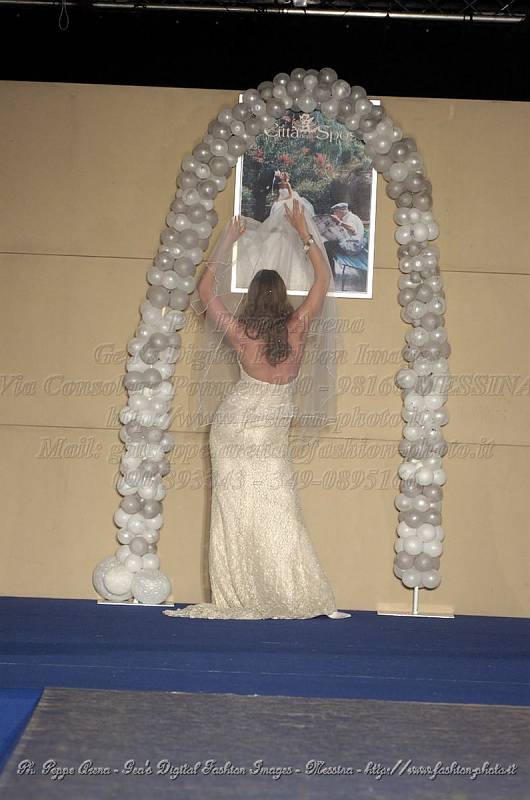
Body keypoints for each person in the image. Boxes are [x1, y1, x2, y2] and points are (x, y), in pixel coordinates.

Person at [162, 200, 350, 621]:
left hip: (232, 425)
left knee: (234, 510)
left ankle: (240, 593)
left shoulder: (242, 332)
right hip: (266, 430)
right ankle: (287, 591)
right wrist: (304, 232)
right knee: (278, 509)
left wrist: (227, 241)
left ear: (251, 298)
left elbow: (205, 291)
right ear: (283, 297)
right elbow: (324, 278)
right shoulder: (298, 326)